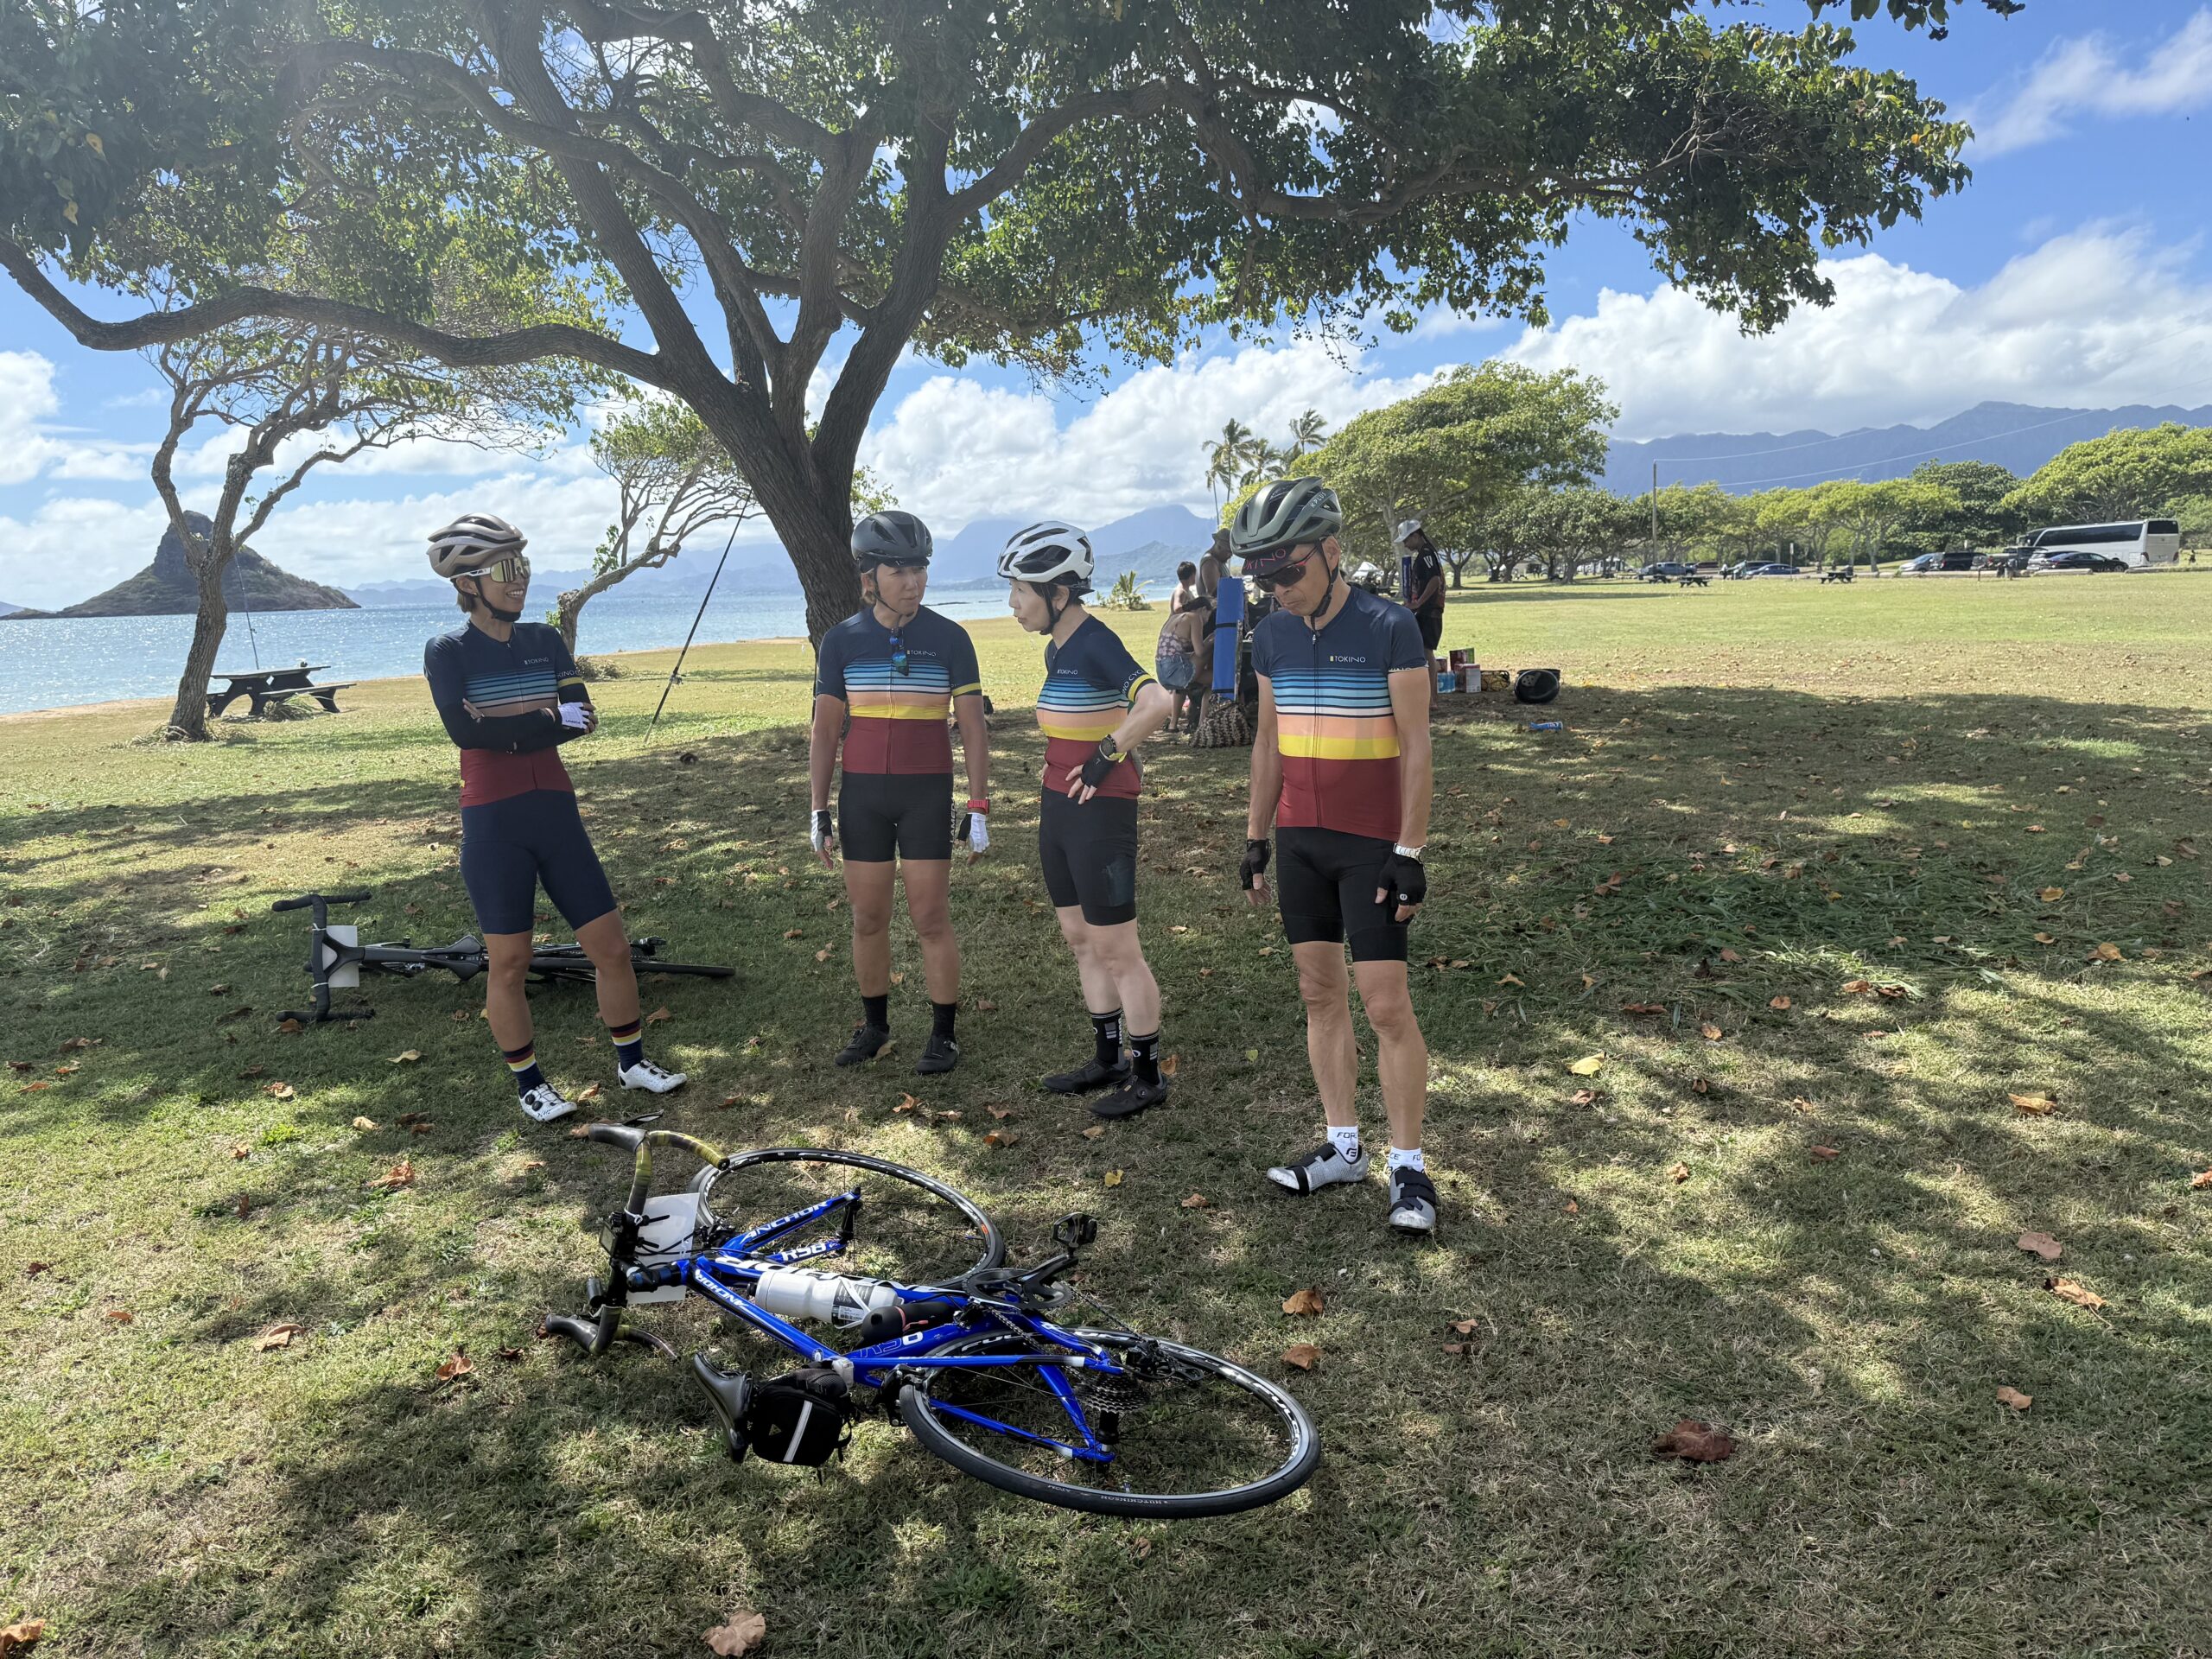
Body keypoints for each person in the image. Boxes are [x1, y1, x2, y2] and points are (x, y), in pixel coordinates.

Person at [421, 512, 687, 1123]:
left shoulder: (543, 639)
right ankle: (531, 1084)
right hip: (494, 823)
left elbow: (583, 717)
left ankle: (631, 1061)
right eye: (505, 569)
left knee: (612, 948)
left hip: (557, 814)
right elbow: (466, 732)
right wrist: (547, 721)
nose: (520, 579)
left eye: (523, 566)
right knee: (510, 961)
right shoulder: (448, 650)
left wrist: (514, 728)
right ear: (467, 584)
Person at [1235, 480, 1440, 1234]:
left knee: (1384, 1004)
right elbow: (1267, 743)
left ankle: (1409, 1167)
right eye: (1266, 579)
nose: (1280, 590)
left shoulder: (1389, 626)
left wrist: (1409, 850)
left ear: (1331, 550)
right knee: (1319, 994)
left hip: (1370, 845)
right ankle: (1344, 1146)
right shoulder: (1273, 636)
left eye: (1290, 571)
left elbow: (1416, 747)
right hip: (1301, 842)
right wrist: (1256, 838)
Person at [1000, 521, 1177, 1119]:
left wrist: (1107, 754)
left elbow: (1157, 702)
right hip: (1059, 808)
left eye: (1020, 591)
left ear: (1058, 593)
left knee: (1117, 948)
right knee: (1080, 939)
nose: (1013, 603)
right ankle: (1108, 1058)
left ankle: (1147, 1074)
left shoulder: (1097, 641)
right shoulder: (1058, 648)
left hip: (1101, 812)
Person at [810, 510, 989, 1075]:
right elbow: (824, 731)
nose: (914, 582)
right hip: (862, 797)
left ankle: (944, 1034)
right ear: (870, 578)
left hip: (925, 796)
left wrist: (978, 804)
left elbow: (973, 727)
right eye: (899, 571)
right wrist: (817, 809)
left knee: (930, 917)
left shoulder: (950, 639)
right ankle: (875, 1027)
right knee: (868, 917)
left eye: (920, 569)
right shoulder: (841, 641)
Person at [1396, 518, 1447, 680]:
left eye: (1406, 540)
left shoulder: (1426, 554)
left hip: (1429, 611)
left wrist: (1419, 603)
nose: (1405, 545)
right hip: (1425, 610)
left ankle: (1432, 694)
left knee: (1427, 652)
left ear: (1416, 535)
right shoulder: (1426, 554)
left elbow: (1435, 580)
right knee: (1423, 651)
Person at [1154, 577, 1201, 733]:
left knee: (1181, 686)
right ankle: (1201, 724)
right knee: (1208, 677)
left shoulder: (1172, 620)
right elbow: (1200, 652)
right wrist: (1211, 640)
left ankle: (1173, 723)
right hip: (1175, 672)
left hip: (1162, 671)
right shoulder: (1193, 617)